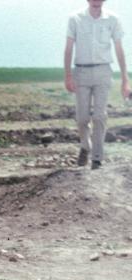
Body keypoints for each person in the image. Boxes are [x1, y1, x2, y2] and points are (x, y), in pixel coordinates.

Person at [65, 0, 130, 169]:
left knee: (100, 116)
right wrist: (68, 75)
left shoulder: (113, 19)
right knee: (82, 118)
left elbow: (119, 49)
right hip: (81, 72)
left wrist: (125, 79)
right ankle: (85, 146)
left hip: (103, 71)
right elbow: (69, 48)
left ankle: (97, 158)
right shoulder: (75, 18)